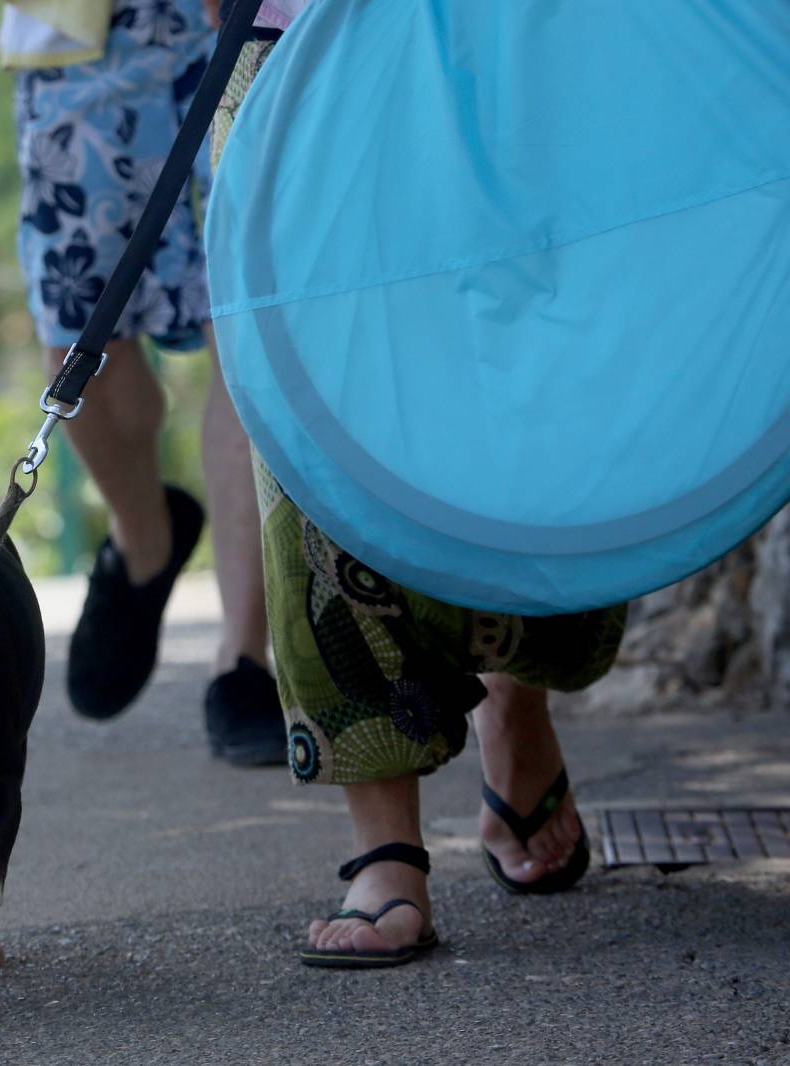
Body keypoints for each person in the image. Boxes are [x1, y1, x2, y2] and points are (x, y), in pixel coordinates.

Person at [207, 6, 628, 967]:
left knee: (550, 399)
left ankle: (517, 698)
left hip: (527, 32)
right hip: (291, 43)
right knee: (317, 449)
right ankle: (384, 848)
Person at [0, 0, 287, 765]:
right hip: (83, 30)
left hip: (256, 14)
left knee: (248, 307)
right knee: (78, 325)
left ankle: (244, 658)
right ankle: (144, 537)